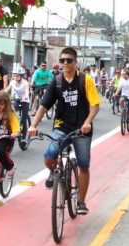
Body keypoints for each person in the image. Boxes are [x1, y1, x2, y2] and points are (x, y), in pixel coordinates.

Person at [28, 47, 101, 215]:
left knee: (83, 165)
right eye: (62, 60)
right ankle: (55, 173)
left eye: (69, 60)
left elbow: (95, 105)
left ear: (76, 62)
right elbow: (44, 106)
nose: (65, 63)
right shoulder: (57, 81)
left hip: (82, 128)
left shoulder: (85, 80)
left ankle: (81, 202)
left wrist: (88, 122)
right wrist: (33, 125)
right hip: (61, 126)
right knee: (49, 157)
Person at [5, 67, 30, 144]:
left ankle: (23, 138)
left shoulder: (25, 83)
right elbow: (7, 90)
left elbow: (26, 91)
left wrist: (25, 96)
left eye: (18, 76)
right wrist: (1, 95)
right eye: (15, 75)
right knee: (12, 115)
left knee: (23, 119)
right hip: (17, 100)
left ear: (21, 76)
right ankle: (13, 129)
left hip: (25, 101)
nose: (16, 77)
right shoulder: (12, 82)